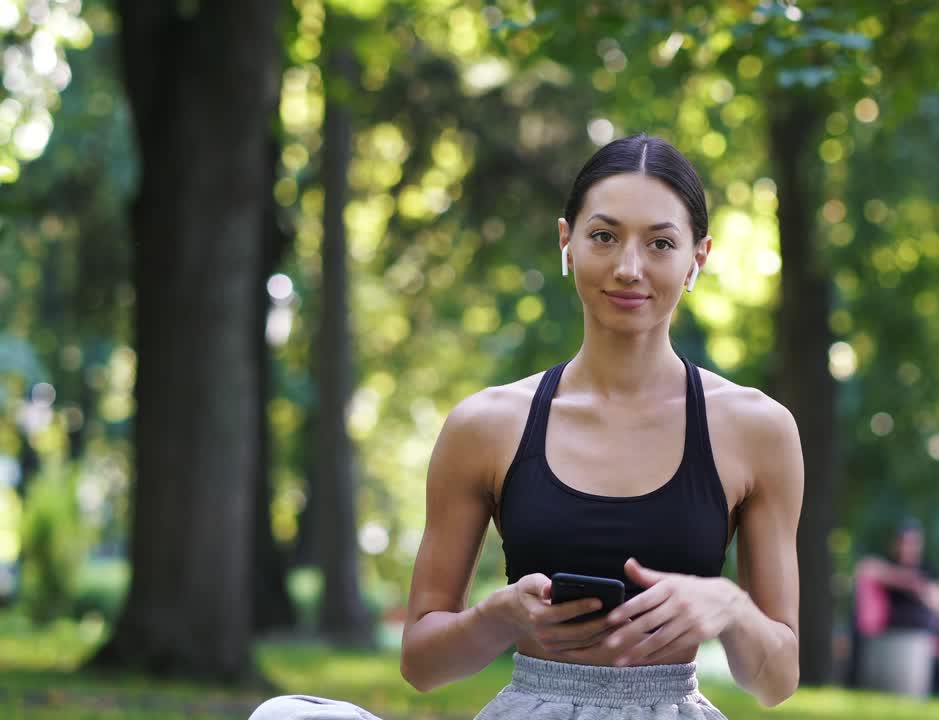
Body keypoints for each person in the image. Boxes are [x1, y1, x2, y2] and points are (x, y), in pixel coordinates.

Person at [250, 134, 804, 720]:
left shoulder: (756, 429)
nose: (628, 267)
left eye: (661, 243)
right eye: (604, 236)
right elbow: (423, 664)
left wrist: (729, 607)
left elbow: (776, 681)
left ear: (699, 257)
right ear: (567, 242)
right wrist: (501, 615)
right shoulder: (487, 425)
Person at [852, 518, 939, 698]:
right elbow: (866, 569)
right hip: (889, 635)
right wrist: (908, 582)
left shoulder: (927, 569)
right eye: (903, 542)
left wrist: (922, 588)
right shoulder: (888, 563)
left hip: (922, 637)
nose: (907, 548)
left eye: (912, 542)